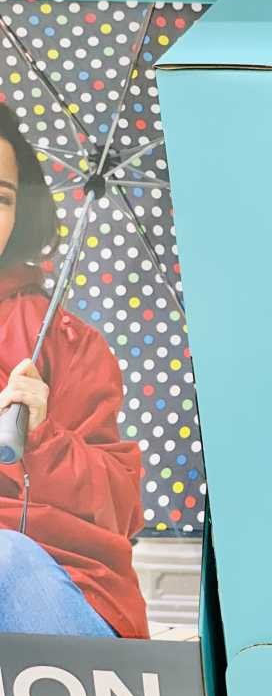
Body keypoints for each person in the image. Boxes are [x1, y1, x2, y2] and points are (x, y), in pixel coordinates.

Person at [0, 102, 146, 639]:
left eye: (1, 198)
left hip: (59, 590)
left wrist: (43, 437)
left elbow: (120, 508)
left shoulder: (63, 342)